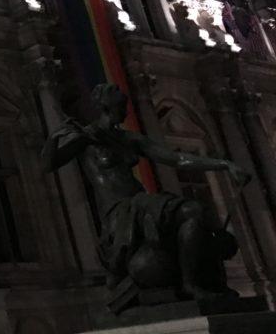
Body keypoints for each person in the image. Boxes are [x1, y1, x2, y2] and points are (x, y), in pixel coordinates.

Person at [41, 83, 249, 303]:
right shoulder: (86, 138)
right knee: (192, 209)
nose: (126, 111)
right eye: (121, 106)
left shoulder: (131, 139)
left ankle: (193, 283)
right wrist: (54, 138)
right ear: (105, 107)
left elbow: (176, 159)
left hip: (141, 202)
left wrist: (225, 164)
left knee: (194, 217)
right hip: (119, 210)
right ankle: (187, 281)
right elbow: (48, 165)